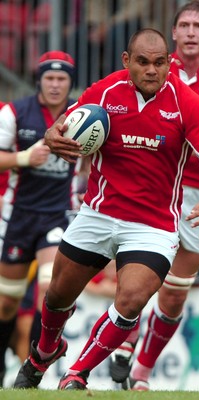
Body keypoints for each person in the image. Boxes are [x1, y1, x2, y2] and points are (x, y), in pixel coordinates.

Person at [13, 28, 199, 391]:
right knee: (56, 296)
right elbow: (61, 126)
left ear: (169, 63)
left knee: (130, 300)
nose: (152, 70)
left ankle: (76, 374)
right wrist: (53, 136)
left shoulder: (187, 101)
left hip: (153, 225)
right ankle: (44, 353)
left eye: (160, 63)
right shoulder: (104, 91)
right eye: (143, 62)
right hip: (98, 214)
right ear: (126, 61)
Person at [110, 1, 199, 391]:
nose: (191, 32)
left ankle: (141, 371)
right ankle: (123, 346)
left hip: (197, 196)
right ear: (173, 34)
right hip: (152, 186)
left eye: (198, 26)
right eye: (184, 25)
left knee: (174, 296)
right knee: (136, 278)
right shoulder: (151, 70)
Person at [0, 50, 78, 387]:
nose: (56, 85)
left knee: (51, 291)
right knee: (6, 304)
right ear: (39, 80)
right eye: (50, 78)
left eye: (62, 79)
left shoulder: (84, 115)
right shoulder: (14, 112)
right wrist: (24, 157)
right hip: (17, 217)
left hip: (57, 216)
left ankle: (34, 369)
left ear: (70, 82)